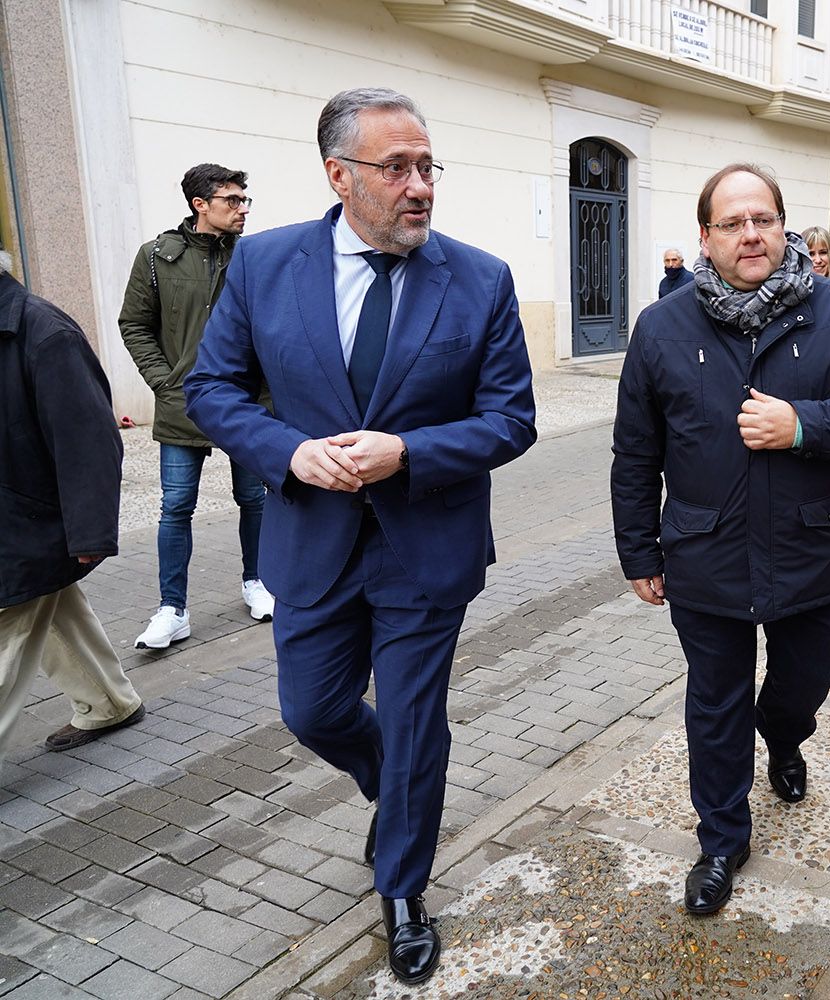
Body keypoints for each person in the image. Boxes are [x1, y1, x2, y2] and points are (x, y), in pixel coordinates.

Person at [184, 88, 537, 986]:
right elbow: (213, 390)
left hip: (427, 545)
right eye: (397, 168)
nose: (420, 186)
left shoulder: (481, 277)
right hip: (312, 539)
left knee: (419, 724)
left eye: (428, 167)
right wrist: (289, 452)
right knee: (312, 709)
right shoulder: (264, 264)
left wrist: (408, 450)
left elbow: (512, 420)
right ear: (340, 176)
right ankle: (395, 790)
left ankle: (404, 886)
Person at [612, 164, 830, 916]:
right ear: (705, 238)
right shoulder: (662, 326)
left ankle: (783, 735)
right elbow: (636, 450)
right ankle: (721, 839)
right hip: (704, 551)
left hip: (812, 549)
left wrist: (805, 426)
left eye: (764, 219)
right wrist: (638, 550)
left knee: (807, 682)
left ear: (785, 229)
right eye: (733, 223)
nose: (751, 234)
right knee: (715, 701)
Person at [119, 163, 274, 649]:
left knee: (255, 499)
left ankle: (259, 582)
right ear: (199, 205)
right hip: (181, 401)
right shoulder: (156, 258)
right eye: (232, 200)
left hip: (245, 402)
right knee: (176, 506)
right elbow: (134, 324)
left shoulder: (255, 256)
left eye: (245, 200)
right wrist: (163, 383)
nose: (243, 208)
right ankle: (172, 609)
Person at [0, 251, 146, 761]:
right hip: (16, 521)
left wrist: (89, 533)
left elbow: (89, 438)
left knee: (7, 631)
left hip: (26, 522)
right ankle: (109, 703)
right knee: (54, 607)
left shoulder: (42, 332)